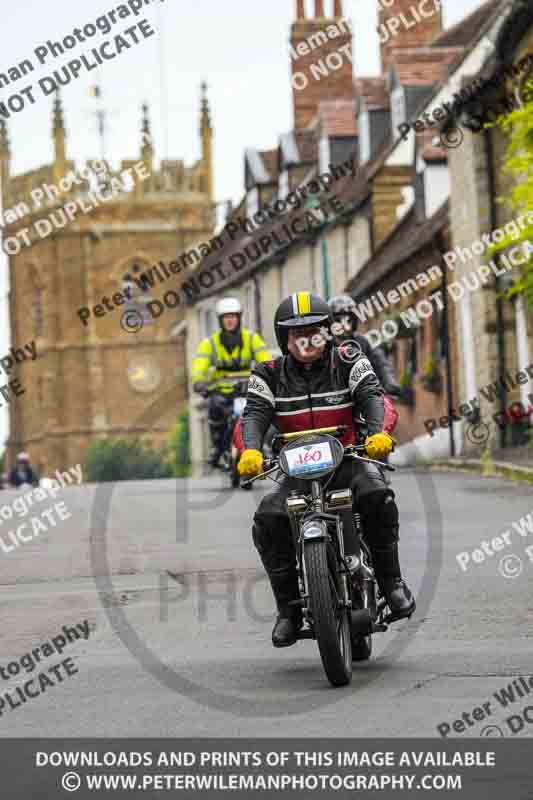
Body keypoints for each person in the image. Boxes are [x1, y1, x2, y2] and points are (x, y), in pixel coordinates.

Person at [238, 292, 415, 648]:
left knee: (377, 495)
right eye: (295, 333)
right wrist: (250, 451)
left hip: (348, 459)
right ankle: (288, 610)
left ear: (327, 333)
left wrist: (378, 434)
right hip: (296, 472)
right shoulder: (268, 373)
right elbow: (253, 416)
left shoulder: (350, 359)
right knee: (268, 518)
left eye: (314, 330)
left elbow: (373, 396)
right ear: (283, 338)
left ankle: (393, 584)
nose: (305, 340)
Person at [191, 297, 272, 467]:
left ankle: (262, 444)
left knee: (262, 411)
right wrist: (198, 381)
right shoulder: (209, 344)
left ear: (239, 318)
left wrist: (270, 374)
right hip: (221, 391)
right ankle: (217, 447)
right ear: (220, 320)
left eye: (233, 316)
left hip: (248, 389)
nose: (230, 320)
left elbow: (266, 361)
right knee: (214, 408)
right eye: (226, 317)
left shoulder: (252, 339)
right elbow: (199, 366)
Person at [328, 294, 401, 434]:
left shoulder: (362, 342)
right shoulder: (326, 346)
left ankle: (379, 447)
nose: (344, 324)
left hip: (363, 396)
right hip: (334, 401)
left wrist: (389, 381)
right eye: (338, 320)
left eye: (348, 319)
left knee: (381, 423)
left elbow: (380, 362)